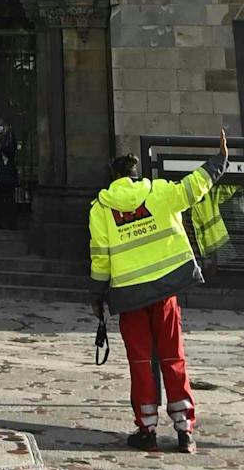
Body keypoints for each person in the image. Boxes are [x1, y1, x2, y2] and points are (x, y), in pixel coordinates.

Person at [89, 135, 231, 452]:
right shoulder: (159, 192)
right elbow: (193, 188)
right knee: (172, 358)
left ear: (112, 177)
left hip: (129, 297)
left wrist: (97, 296)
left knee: (141, 363)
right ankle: (184, 432)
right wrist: (219, 161)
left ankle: (147, 430)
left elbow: (100, 258)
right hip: (165, 292)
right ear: (136, 173)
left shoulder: (100, 208)